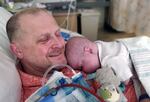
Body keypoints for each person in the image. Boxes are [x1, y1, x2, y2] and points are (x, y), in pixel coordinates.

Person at [5, 7, 144, 102]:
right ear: (18, 51)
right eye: (44, 39)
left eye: (58, 34)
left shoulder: (73, 53)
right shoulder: (37, 94)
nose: (59, 44)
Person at [65, 36, 150, 102]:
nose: (83, 71)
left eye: (81, 66)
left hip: (140, 53)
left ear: (88, 51)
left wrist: (125, 80)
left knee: (143, 85)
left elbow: (125, 75)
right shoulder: (99, 44)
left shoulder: (107, 58)